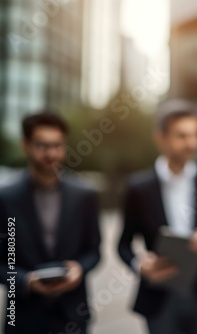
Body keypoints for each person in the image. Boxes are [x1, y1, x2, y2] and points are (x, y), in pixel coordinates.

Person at [118, 99, 197, 334]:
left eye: (196, 135)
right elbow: (122, 245)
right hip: (158, 296)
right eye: (182, 136)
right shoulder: (139, 188)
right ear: (161, 139)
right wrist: (139, 265)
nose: (192, 143)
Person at [0, 112, 101, 334]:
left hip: (72, 313)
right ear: (25, 145)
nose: (51, 153)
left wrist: (79, 269)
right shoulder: (5, 198)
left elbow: (94, 250)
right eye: (42, 145)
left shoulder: (84, 195)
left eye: (57, 145)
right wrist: (24, 280)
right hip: (23, 316)